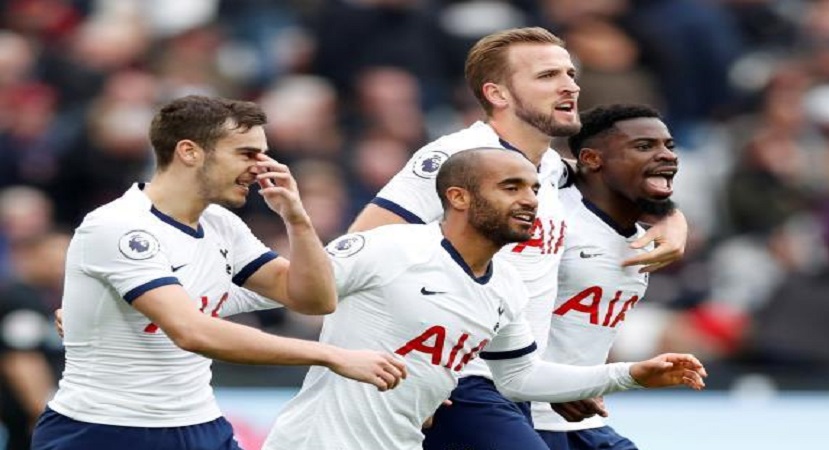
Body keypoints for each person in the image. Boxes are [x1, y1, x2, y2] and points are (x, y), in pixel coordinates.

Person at [348, 27, 689, 449]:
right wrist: (402, 369)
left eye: (570, 74)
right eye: (547, 76)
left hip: (518, 380)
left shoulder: (551, 170)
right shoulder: (458, 158)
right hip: (459, 379)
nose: (570, 86)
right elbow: (358, 254)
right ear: (498, 94)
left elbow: (622, 179)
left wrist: (670, 216)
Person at [262, 148, 706, 450]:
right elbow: (286, 292)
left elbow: (519, 377)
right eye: (511, 188)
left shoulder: (504, 284)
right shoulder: (389, 248)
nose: (530, 201)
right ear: (458, 197)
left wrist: (629, 374)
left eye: (534, 189)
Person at [30, 95, 407, 450]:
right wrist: (331, 355)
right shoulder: (119, 228)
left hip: (200, 424)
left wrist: (297, 220)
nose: (261, 166)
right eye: (247, 153)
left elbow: (315, 299)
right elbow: (192, 331)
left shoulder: (221, 225)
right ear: (189, 152)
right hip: (105, 429)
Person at [533, 104, 680, 450]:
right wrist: (546, 385)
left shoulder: (645, 241)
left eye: (669, 146)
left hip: (581, 418)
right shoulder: (549, 217)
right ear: (591, 159)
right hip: (520, 411)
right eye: (644, 146)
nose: (667, 155)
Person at [0, 231, 68, 450]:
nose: (60, 266)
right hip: (29, 420)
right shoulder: (20, 299)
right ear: (31, 256)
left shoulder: (48, 296)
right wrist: (43, 414)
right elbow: (21, 360)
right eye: (52, 258)